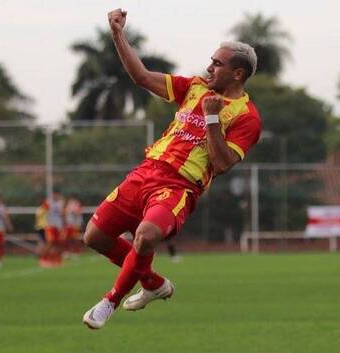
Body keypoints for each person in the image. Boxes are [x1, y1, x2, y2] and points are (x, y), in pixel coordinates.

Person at [82, 8, 261, 330]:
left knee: (145, 236)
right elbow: (141, 77)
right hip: (144, 172)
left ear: (237, 74)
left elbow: (221, 164)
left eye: (217, 64)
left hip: (179, 185)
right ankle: (153, 283)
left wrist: (210, 119)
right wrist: (118, 35)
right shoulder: (194, 86)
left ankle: (110, 300)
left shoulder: (247, 116)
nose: (209, 67)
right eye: (211, 60)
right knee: (94, 237)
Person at [39, 190, 66, 267]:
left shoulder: (61, 203)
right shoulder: (48, 202)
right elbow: (42, 211)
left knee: (58, 244)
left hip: (59, 226)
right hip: (50, 226)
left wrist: (64, 224)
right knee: (50, 243)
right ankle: (43, 259)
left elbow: (63, 214)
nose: (56, 196)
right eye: (54, 195)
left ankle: (56, 260)